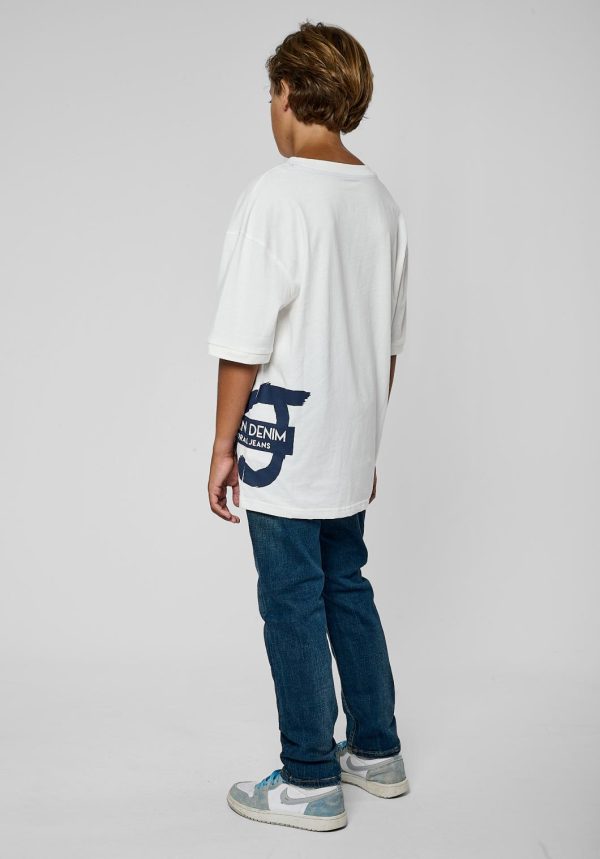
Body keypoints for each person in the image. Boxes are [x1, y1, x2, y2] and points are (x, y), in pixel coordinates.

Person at [207, 20, 410, 832]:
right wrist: (367, 441)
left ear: (288, 94)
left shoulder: (277, 195)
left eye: (272, 93)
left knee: (291, 598)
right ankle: (377, 750)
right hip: (349, 439)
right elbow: (386, 343)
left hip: (282, 441)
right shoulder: (382, 204)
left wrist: (221, 444)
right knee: (345, 582)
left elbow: (242, 339)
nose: (271, 107)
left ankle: (309, 777)